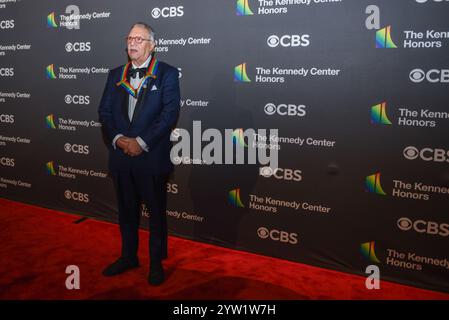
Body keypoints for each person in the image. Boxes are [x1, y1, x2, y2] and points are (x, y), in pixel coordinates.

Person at [98, 22, 180, 285]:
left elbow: (169, 114)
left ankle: (155, 263)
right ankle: (128, 256)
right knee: (126, 211)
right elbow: (105, 112)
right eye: (129, 38)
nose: (132, 43)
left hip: (152, 157)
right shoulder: (115, 74)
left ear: (152, 45)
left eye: (139, 39)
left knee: (156, 213)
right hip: (121, 157)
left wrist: (142, 141)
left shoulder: (167, 73)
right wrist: (120, 139)